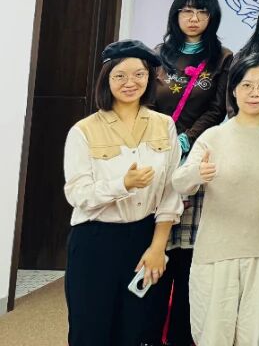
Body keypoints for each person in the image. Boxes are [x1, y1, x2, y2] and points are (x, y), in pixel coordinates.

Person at [63, 40, 183, 346]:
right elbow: (78, 195)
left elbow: (171, 191)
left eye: (139, 75)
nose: (130, 82)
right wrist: (123, 185)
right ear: (107, 79)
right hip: (95, 241)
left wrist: (158, 247)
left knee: (140, 330)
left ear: (149, 78)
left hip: (145, 239)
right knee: (91, 329)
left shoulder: (164, 125)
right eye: (120, 75)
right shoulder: (83, 130)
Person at [173, 53, 259, 346]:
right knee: (213, 335)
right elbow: (180, 182)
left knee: (256, 337)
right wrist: (198, 173)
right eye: (247, 85)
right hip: (216, 252)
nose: (255, 92)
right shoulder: (214, 136)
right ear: (234, 89)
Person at [147, 0, 233, 346]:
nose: (193, 18)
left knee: (185, 254)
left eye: (201, 11)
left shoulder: (222, 58)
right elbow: (147, 102)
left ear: (212, 17)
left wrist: (186, 139)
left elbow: (218, 109)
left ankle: (181, 335)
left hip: (193, 162)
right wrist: (161, 140)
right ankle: (147, 333)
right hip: (154, 158)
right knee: (153, 247)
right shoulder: (158, 55)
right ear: (176, 14)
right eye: (187, 10)